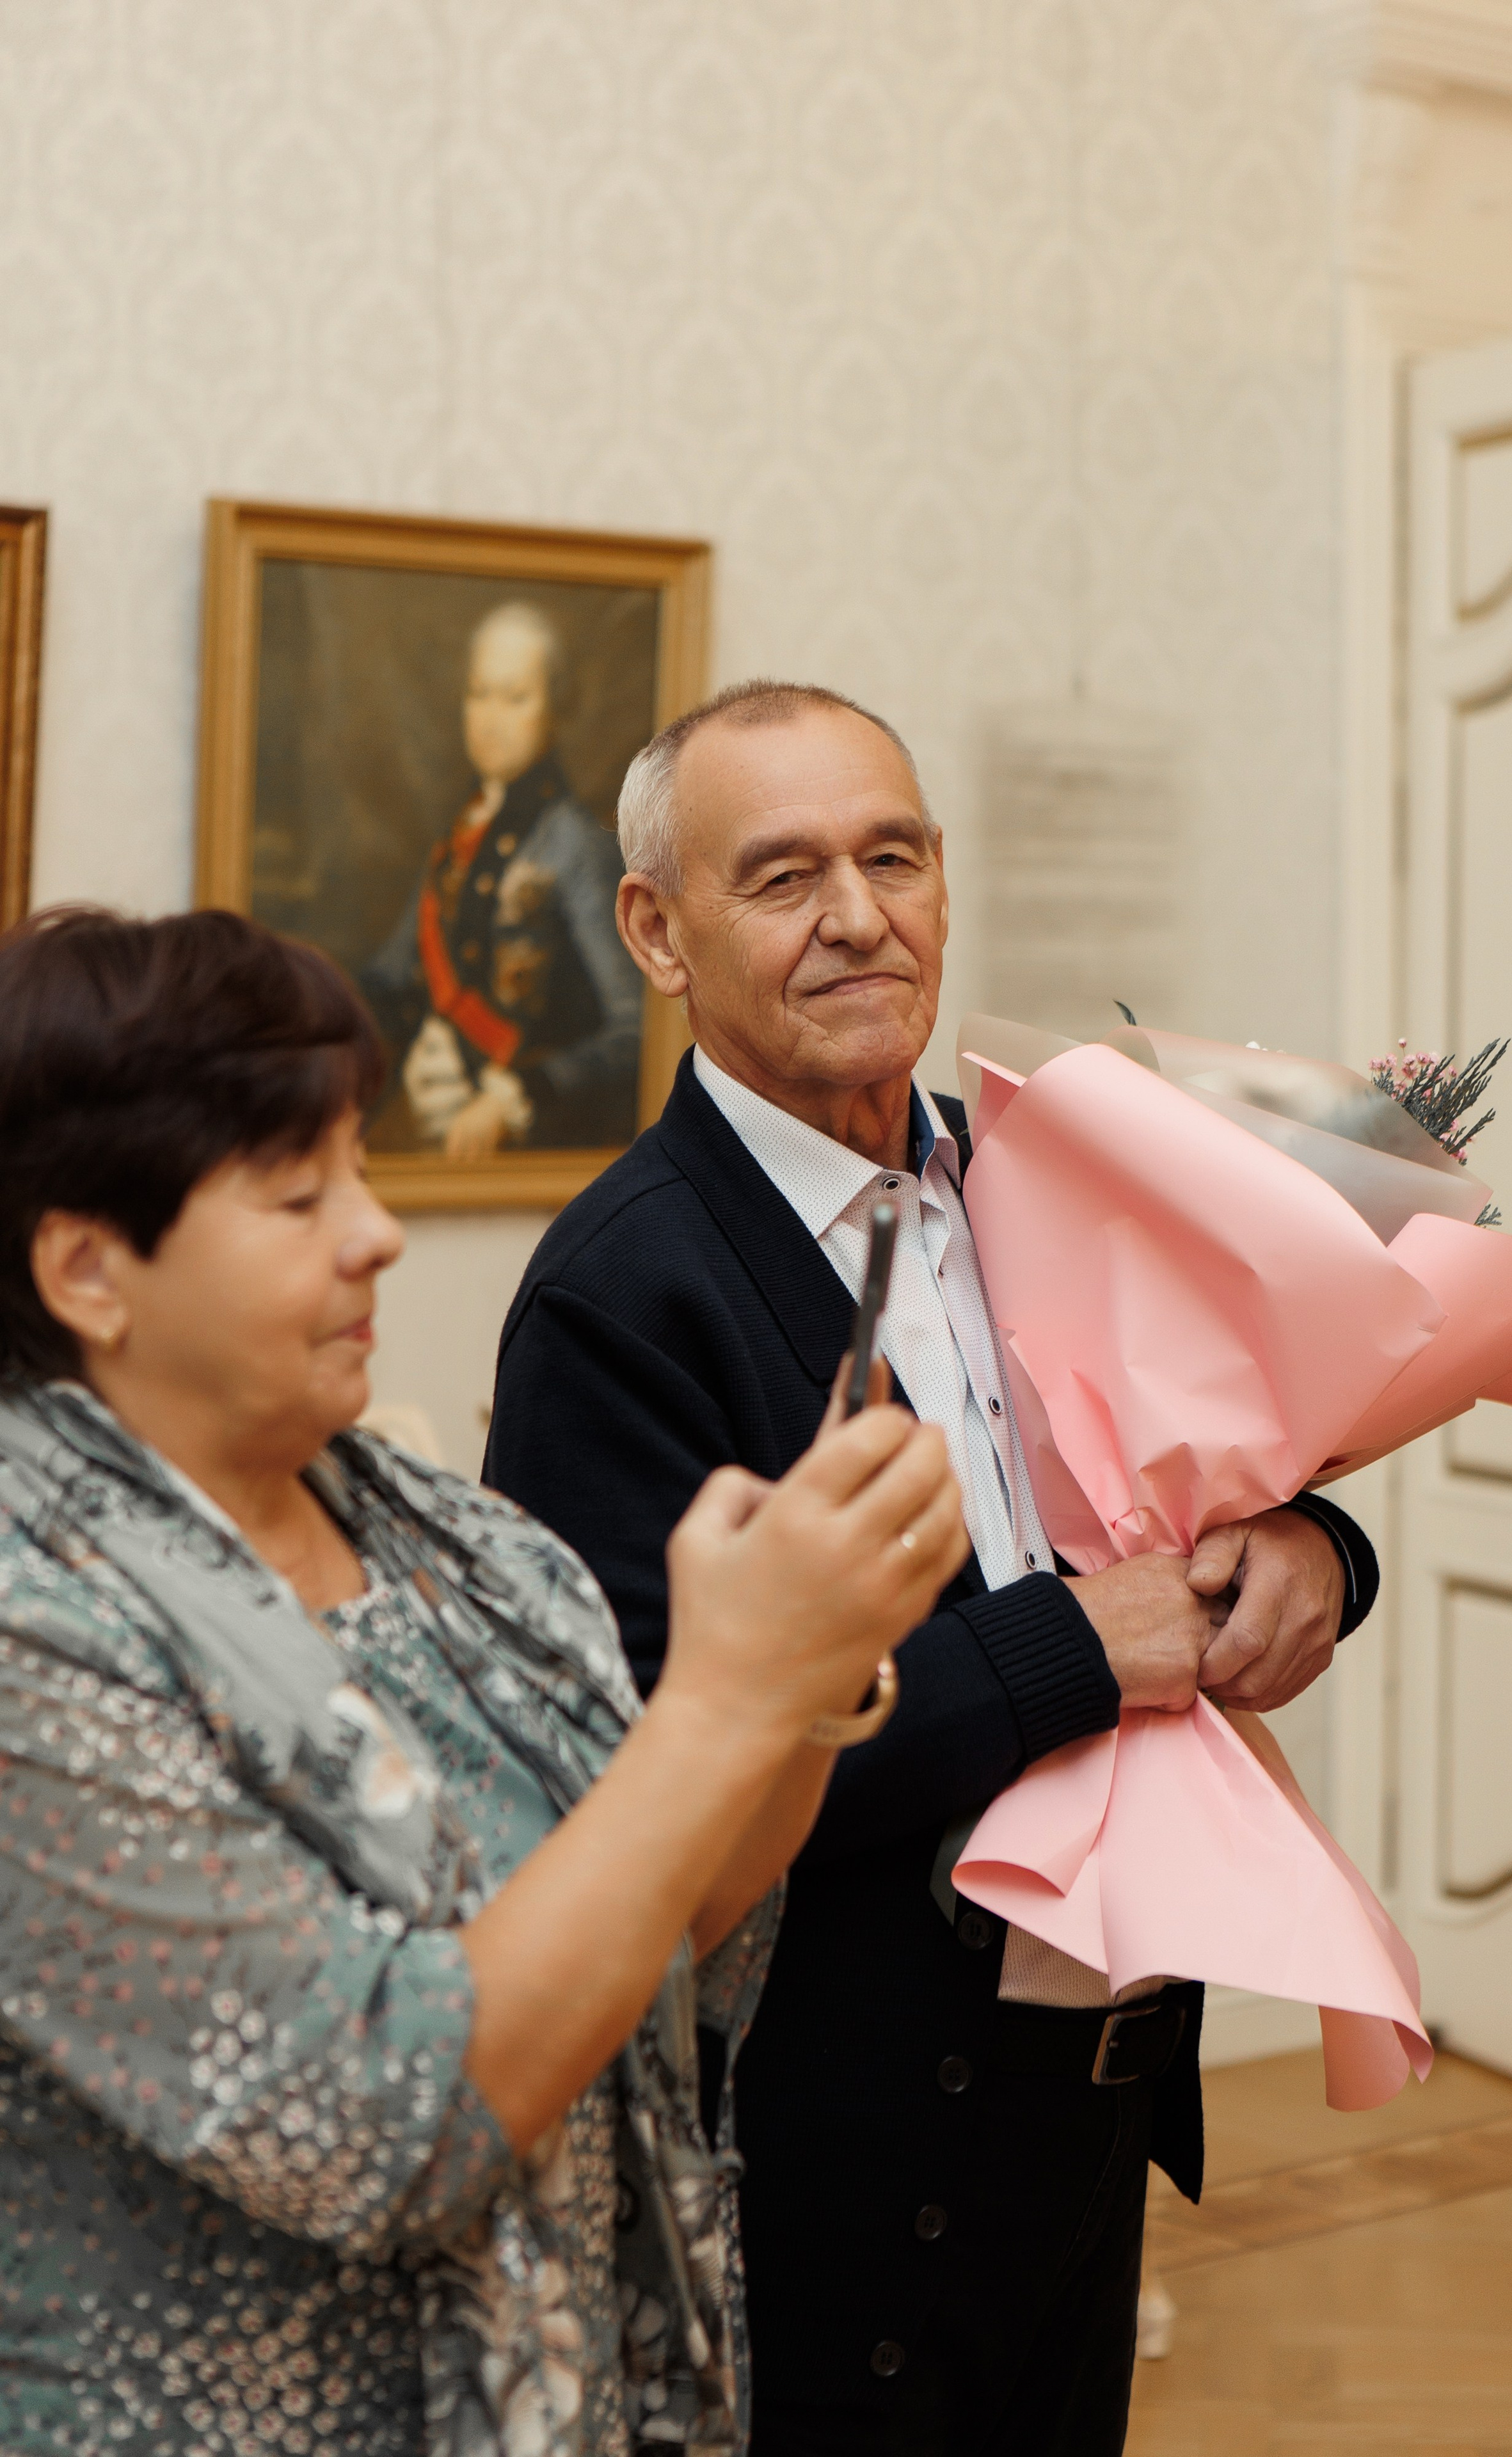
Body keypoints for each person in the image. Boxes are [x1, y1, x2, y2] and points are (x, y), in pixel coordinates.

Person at [484, 681, 1381, 2457]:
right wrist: (1071, 1651)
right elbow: (657, 1777)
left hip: (1083, 2089)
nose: (857, 918)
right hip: (834, 2133)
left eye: (892, 857)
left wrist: (1317, 1551)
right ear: (655, 930)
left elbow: (1215, 1474)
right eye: (785, 875)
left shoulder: (1045, 1186)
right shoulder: (619, 1297)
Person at [0, 903, 968, 2457]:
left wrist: (806, 1663)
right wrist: (722, 1697)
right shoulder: (31, 1619)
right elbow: (381, 2115)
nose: (374, 1230)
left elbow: (673, 1925)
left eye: (361, 1168)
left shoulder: (443, 1531)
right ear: (87, 1268)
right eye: (296, 1190)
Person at [360, 600, 644, 1160]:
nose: (491, 717)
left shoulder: (576, 847)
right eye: (479, 694)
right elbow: (391, 980)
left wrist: (518, 1097)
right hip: (425, 1111)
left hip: (523, 1143)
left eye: (515, 698)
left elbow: (635, 1032)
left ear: (554, 712)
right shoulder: (459, 833)